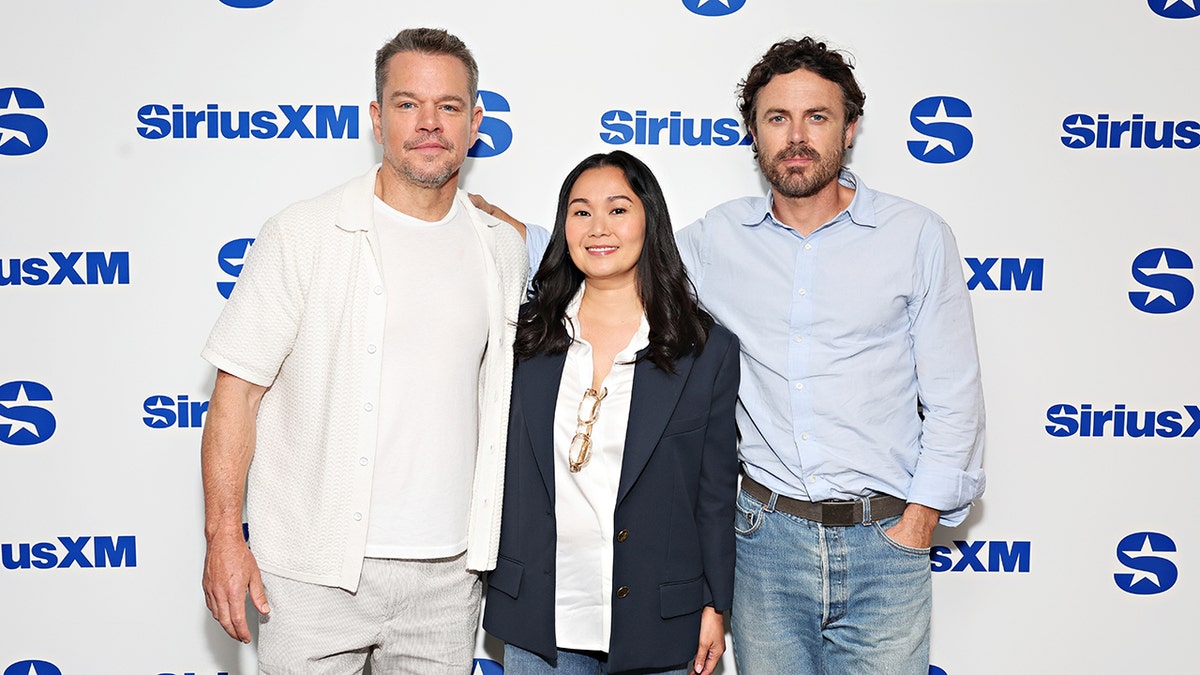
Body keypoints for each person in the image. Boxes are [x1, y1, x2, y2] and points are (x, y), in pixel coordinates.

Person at [198, 27, 529, 674]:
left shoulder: (500, 247)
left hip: (450, 577)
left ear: (476, 122)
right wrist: (222, 539)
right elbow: (235, 395)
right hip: (313, 573)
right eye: (408, 104)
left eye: (449, 107)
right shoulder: (303, 234)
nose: (429, 123)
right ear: (377, 118)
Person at [674, 37, 987, 673]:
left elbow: (955, 398)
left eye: (816, 117)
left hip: (886, 543)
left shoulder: (916, 236)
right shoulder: (716, 240)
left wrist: (919, 521)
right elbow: (615, 260)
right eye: (776, 118)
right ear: (753, 134)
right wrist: (503, 230)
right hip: (765, 545)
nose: (796, 137)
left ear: (849, 129)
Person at [482, 151, 740, 675]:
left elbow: (713, 496)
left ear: (650, 220)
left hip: (660, 625)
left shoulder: (705, 349)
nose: (598, 227)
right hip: (540, 620)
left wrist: (716, 605)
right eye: (581, 212)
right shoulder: (522, 338)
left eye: (618, 210)